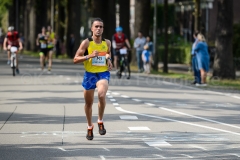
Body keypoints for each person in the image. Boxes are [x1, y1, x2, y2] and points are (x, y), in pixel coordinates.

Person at [73, 18, 113, 140]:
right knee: (88, 103)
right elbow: (75, 59)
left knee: (101, 95)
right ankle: (90, 127)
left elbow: (108, 54)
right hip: (89, 74)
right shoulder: (86, 43)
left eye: (101, 27)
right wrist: (89, 56)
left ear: (103, 29)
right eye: (96, 26)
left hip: (102, 73)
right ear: (91, 28)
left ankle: (100, 121)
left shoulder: (107, 43)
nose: (98, 29)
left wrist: (109, 60)